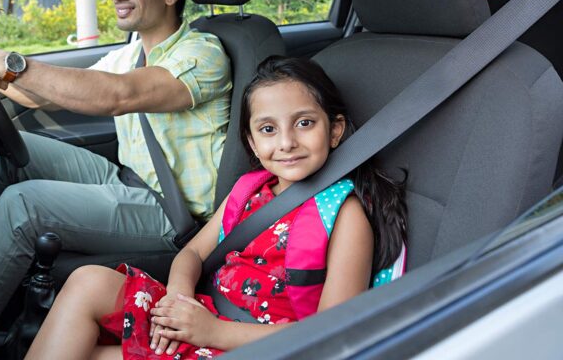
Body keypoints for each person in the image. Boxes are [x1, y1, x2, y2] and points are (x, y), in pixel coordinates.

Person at [0, 0, 232, 329]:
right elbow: (43, 95)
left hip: (174, 213)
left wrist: (0, 58)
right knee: (5, 152)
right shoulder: (127, 54)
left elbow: (118, 95)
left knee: (25, 204)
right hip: (129, 179)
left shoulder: (203, 52)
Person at [25, 56, 407, 360]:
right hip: (206, 315)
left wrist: (212, 331)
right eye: (268, 129)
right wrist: (178, 296)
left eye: (304, 123)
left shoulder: (345, 216)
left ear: (335, 130)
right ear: (252, 142)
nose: (287, 142)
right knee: (88, 281)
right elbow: (192, 251)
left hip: (264, 345)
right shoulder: (251, 190)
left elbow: (335, 332)